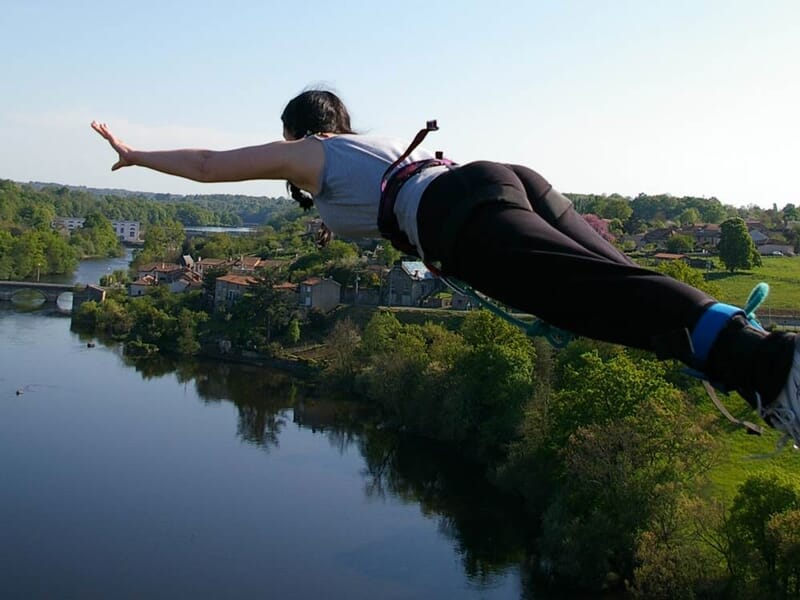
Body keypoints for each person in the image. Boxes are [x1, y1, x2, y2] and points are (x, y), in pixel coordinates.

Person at [91, 88, 800, 448]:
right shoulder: (372, 143)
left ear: (299, 130)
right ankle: (753, 360)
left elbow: (213, 167)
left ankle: (774, 369)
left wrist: (139, 155)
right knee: (617, 287)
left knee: (596, 297)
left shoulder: (311, 150)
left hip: (460, 221)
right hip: (498, 181)